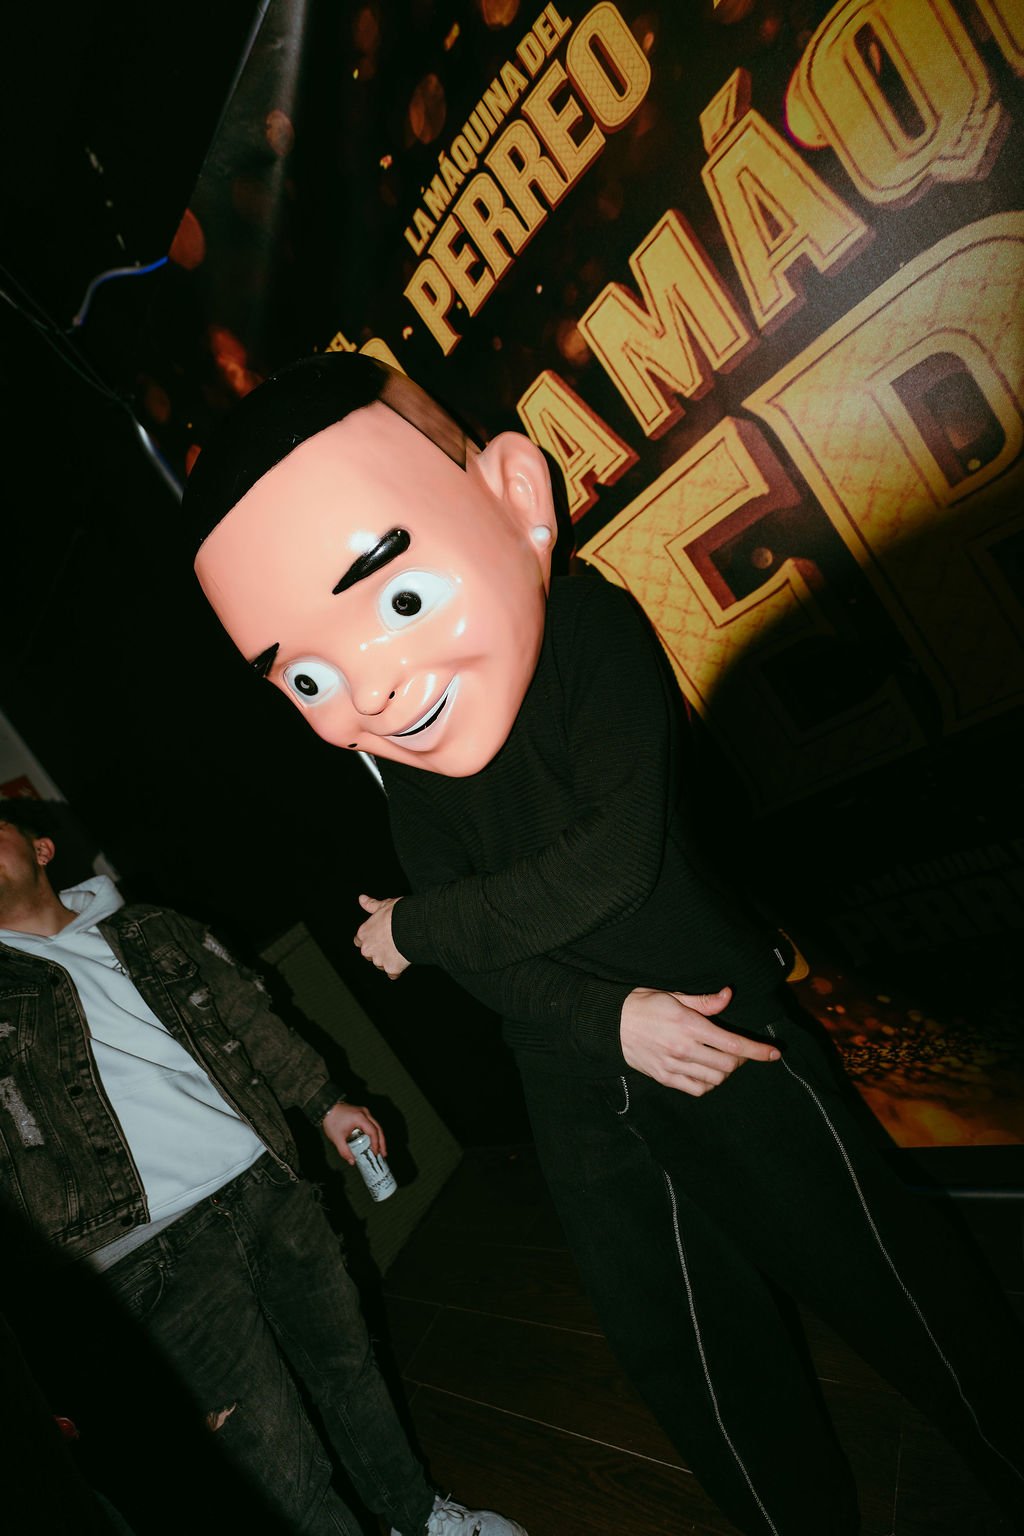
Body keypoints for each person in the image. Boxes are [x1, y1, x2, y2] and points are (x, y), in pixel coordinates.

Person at [187, 353, 1024, 1535]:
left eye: (399, 601)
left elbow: (610, 860)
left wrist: (416, 926)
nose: (369, 692)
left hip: (727, 1046)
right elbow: (492, 959)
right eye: (310, 677)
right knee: (693, 1367)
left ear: (515, 498)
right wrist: (605, 1020)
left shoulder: (588, 630)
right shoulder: (412, 767)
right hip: (577, 1083)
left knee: (903, 1297)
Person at [0, 798, 526, 1536]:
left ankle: (417, 1517)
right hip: (142, 1256)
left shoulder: (152, 927)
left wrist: (325, 1100)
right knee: (270, 1459)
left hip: (265, 1185)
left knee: (349, 1373)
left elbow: (248, 1018)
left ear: (42, 848)